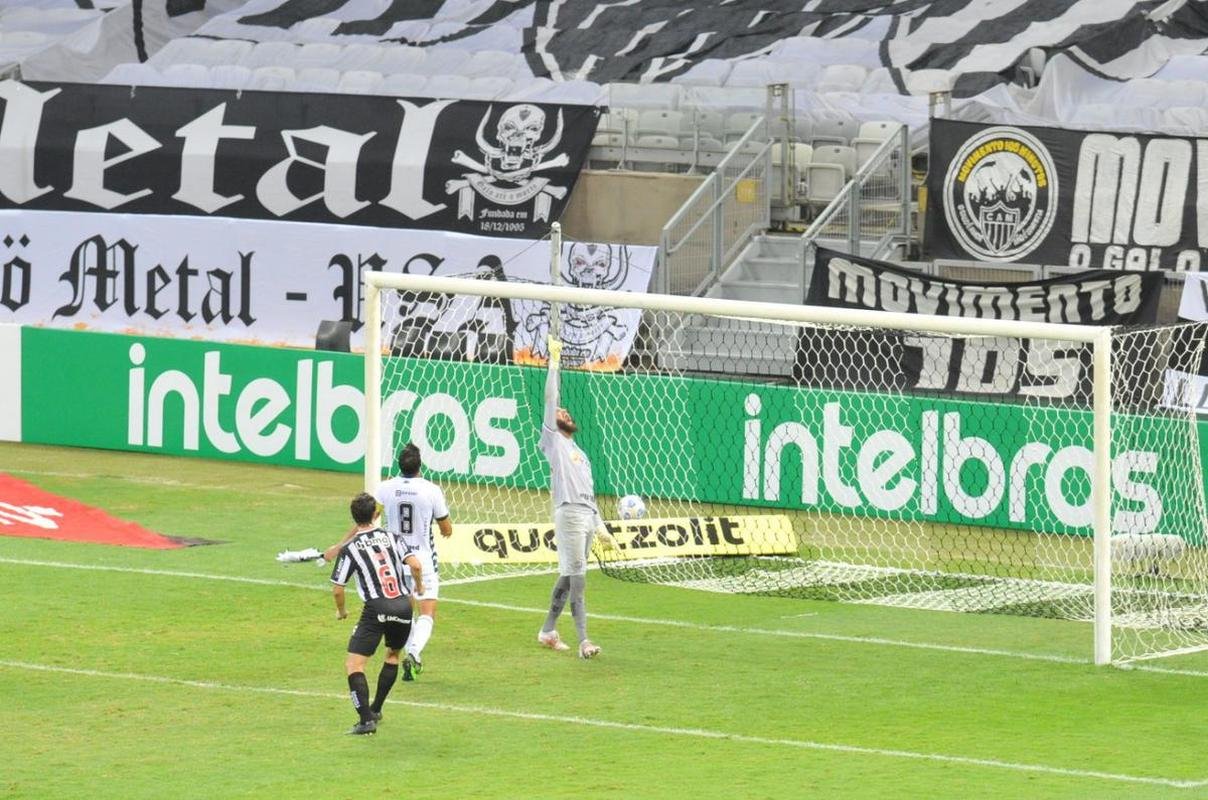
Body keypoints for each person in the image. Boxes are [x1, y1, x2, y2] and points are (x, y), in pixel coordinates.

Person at [325, 444, 452, 681]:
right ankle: (414, 652)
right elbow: (446, 528)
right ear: (420, 465)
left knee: (406, 611)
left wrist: (340, 545)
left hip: (394, 559)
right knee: (427, 612)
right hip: (422, 560)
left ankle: (411, 655)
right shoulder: (432, 490)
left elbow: (365, 521)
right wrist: (445, 529)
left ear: (399, 465)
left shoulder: (385, 488)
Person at [330, 492, 424, 736]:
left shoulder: (350, 548)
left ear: (353, 517)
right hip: (403, 605)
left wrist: (341, 611)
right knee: (392, 655)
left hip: (376, 607)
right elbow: (415, 565)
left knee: (354, 664)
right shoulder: (393, 537)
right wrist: (419, 587)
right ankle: (376, 709)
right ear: (375, 514)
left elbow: (338, 588)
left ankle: (365, 721)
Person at [537, 335, 603, 659]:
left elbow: (590, 495)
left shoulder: (581, 454)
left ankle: (547, 631)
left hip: (586, 515)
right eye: (560, 412)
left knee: (567, 575)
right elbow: (551, 398)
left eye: (566, 411)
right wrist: (554, 363)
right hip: (569, 514)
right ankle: (584, 641)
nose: (564, 412)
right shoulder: (553, 442)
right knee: (578, 581)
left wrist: (601, 525)